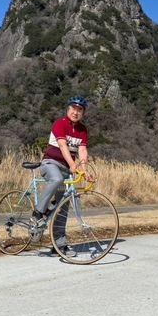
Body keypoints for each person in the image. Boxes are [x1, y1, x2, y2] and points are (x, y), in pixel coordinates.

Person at [31, 95, 90, 254]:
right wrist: (72, 164)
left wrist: (85, 171)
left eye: (79, 110)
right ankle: (37, 212)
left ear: (83, 113)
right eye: (73, 108)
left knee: (62, 207)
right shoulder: (60, 123)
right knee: (56, 179)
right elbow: (63, 146)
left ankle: (59, 246)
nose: (76, 112)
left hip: (65, 168)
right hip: (50, 163)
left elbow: (82, 150)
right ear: (68, 109)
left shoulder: (82, 130)